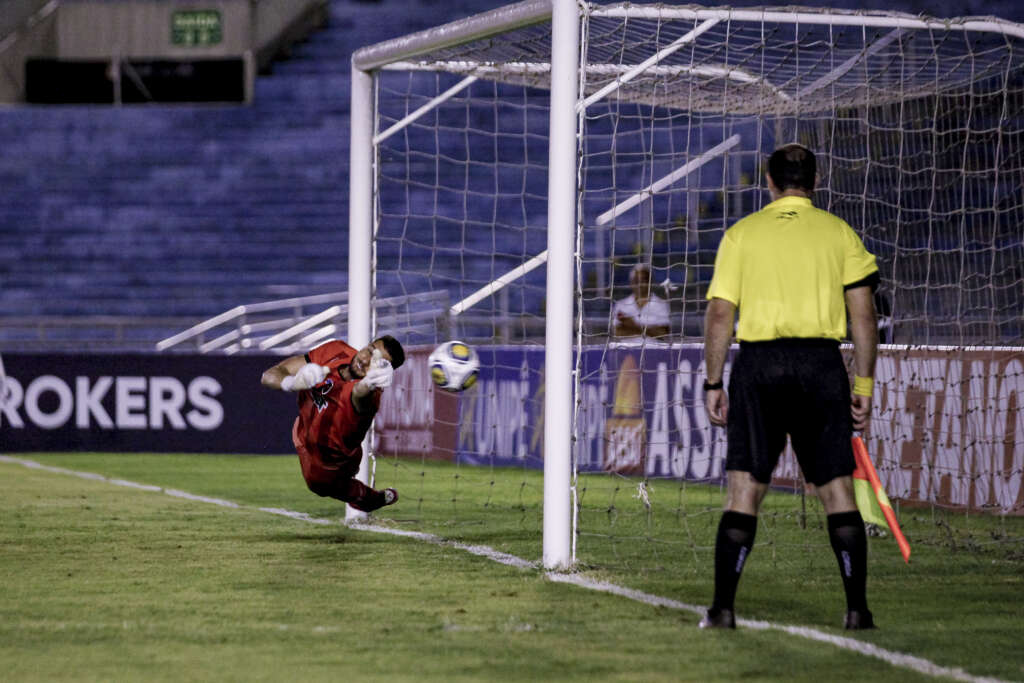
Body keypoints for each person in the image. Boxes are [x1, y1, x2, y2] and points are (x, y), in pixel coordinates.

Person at [700, 144, 880, 630]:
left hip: (759, 365)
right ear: (815, 181)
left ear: (769, 181)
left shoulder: (742, 234)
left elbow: (720, 313)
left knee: (744, 490)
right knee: (838, 490)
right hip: (821, 366)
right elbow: (864, 316)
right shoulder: (839, 232)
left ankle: (722, 610)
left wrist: (713, 381)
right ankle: (858, 611)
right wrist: (863, 384)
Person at [261, 335, 406, 513]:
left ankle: (378, 499)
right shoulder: (336, 350)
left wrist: (369, 383)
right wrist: (291, 383)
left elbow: (359, 393)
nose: (365, 360)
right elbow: (268, 375)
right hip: (302, 435)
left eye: (376, 362)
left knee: (327, 487)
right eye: (369, 351)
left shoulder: (371, 394)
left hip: (330, 463)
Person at [612, 263, 671, 338]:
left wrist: (632, 325)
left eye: (643, 280)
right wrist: (650, 331)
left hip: (653, 345)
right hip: (626, 345)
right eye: (636, 280)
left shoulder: (661, 304)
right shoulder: (621, 305)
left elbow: (662, 333)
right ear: (631, 282)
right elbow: (618, 333)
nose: (640, 284)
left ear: (650, 282)